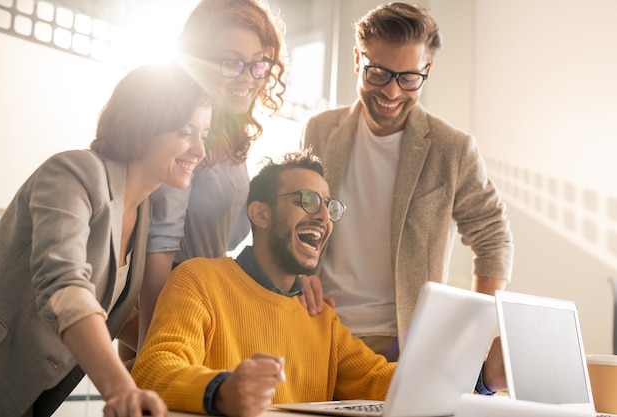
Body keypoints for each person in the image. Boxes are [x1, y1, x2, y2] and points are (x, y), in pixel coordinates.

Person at [131, 149, 506, 417]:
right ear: (260, 213)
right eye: (307, 200)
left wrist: (483, 375)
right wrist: (223, 390)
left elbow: (386, 381)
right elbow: (153, 368)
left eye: (329, 206)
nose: (323, 217)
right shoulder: (200, 280)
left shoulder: (319, 318)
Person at [0, 62, 212, 417]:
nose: (200, 151)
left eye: (204, 134)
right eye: (187, 132)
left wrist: (193, 357)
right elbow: (63, 287)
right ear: (145, 124)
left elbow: (111, 309)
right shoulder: (74, 172)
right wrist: (121, 390)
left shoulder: (143, 214)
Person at [301, 2, 514, 360]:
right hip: (318, 329)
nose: (392, 92)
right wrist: (298, 275)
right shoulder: (320, 131)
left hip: (404, 345)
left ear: (427, 69)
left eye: (408, 78)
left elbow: (494, 240)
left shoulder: (453, 149)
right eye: (378, 73)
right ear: (358, 60)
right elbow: (296, 218)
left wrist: (471, 336)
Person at [137, 0, 293, 352]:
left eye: (257, 63)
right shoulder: (182, 134)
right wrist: (154, 349)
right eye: (230, 62)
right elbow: (159, 246)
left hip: (202, 311)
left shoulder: (229, 134)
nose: (247, 77)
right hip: (171, 313)